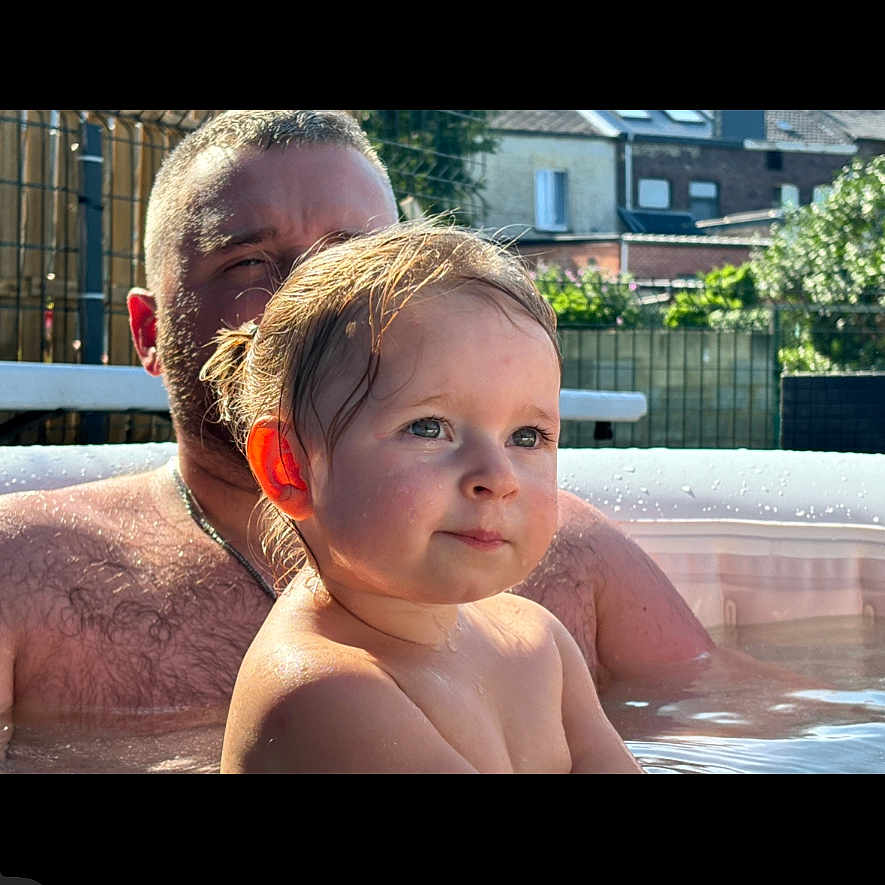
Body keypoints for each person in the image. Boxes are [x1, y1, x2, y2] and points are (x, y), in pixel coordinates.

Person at [0, 110, 711, 770]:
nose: (308, 292)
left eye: (357, 261)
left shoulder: (562, 572)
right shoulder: (24, 574)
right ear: (150, 330)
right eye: (250, 262)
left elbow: (729, 715)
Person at [204, 221, 642, 773]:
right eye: (429, 428)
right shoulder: (327, 692)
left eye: (527, 437)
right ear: (288, 465)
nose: (497, 477)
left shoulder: (539, 643)